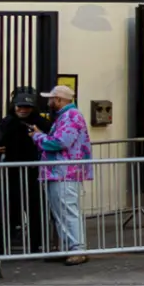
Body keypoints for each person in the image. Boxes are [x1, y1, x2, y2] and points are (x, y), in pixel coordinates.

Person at [29, 84, 91, 264]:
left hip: (64, 171)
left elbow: (61, 142)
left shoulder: (70, 117)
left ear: (59, 100)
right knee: (61, 210)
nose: (48, 102)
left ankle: (76, 248)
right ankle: (69, 247)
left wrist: (38, 137)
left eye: (51, 98)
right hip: (60, 171)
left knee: (66, 209)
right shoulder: (67, 116)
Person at [0, 88, 49, 254]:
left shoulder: (40, 123)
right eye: (20, 106)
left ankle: (37, 245)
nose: (23, 109)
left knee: (36, 209)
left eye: (27, 106)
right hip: (10, 171)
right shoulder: (7, 123)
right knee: (8, 209)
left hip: (33, 171)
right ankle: (1, 246)